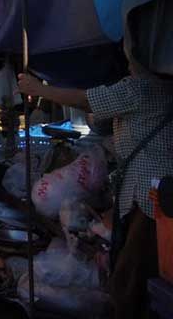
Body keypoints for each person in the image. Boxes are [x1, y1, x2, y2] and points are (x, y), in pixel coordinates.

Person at [18, 60, 173, 317]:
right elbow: (98, 120)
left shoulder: (142, 87)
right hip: (142, 197)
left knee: (130, 280)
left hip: (149, 200)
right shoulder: (154, 86)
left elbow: (87, 100)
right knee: (133, 275)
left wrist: (40, 89)